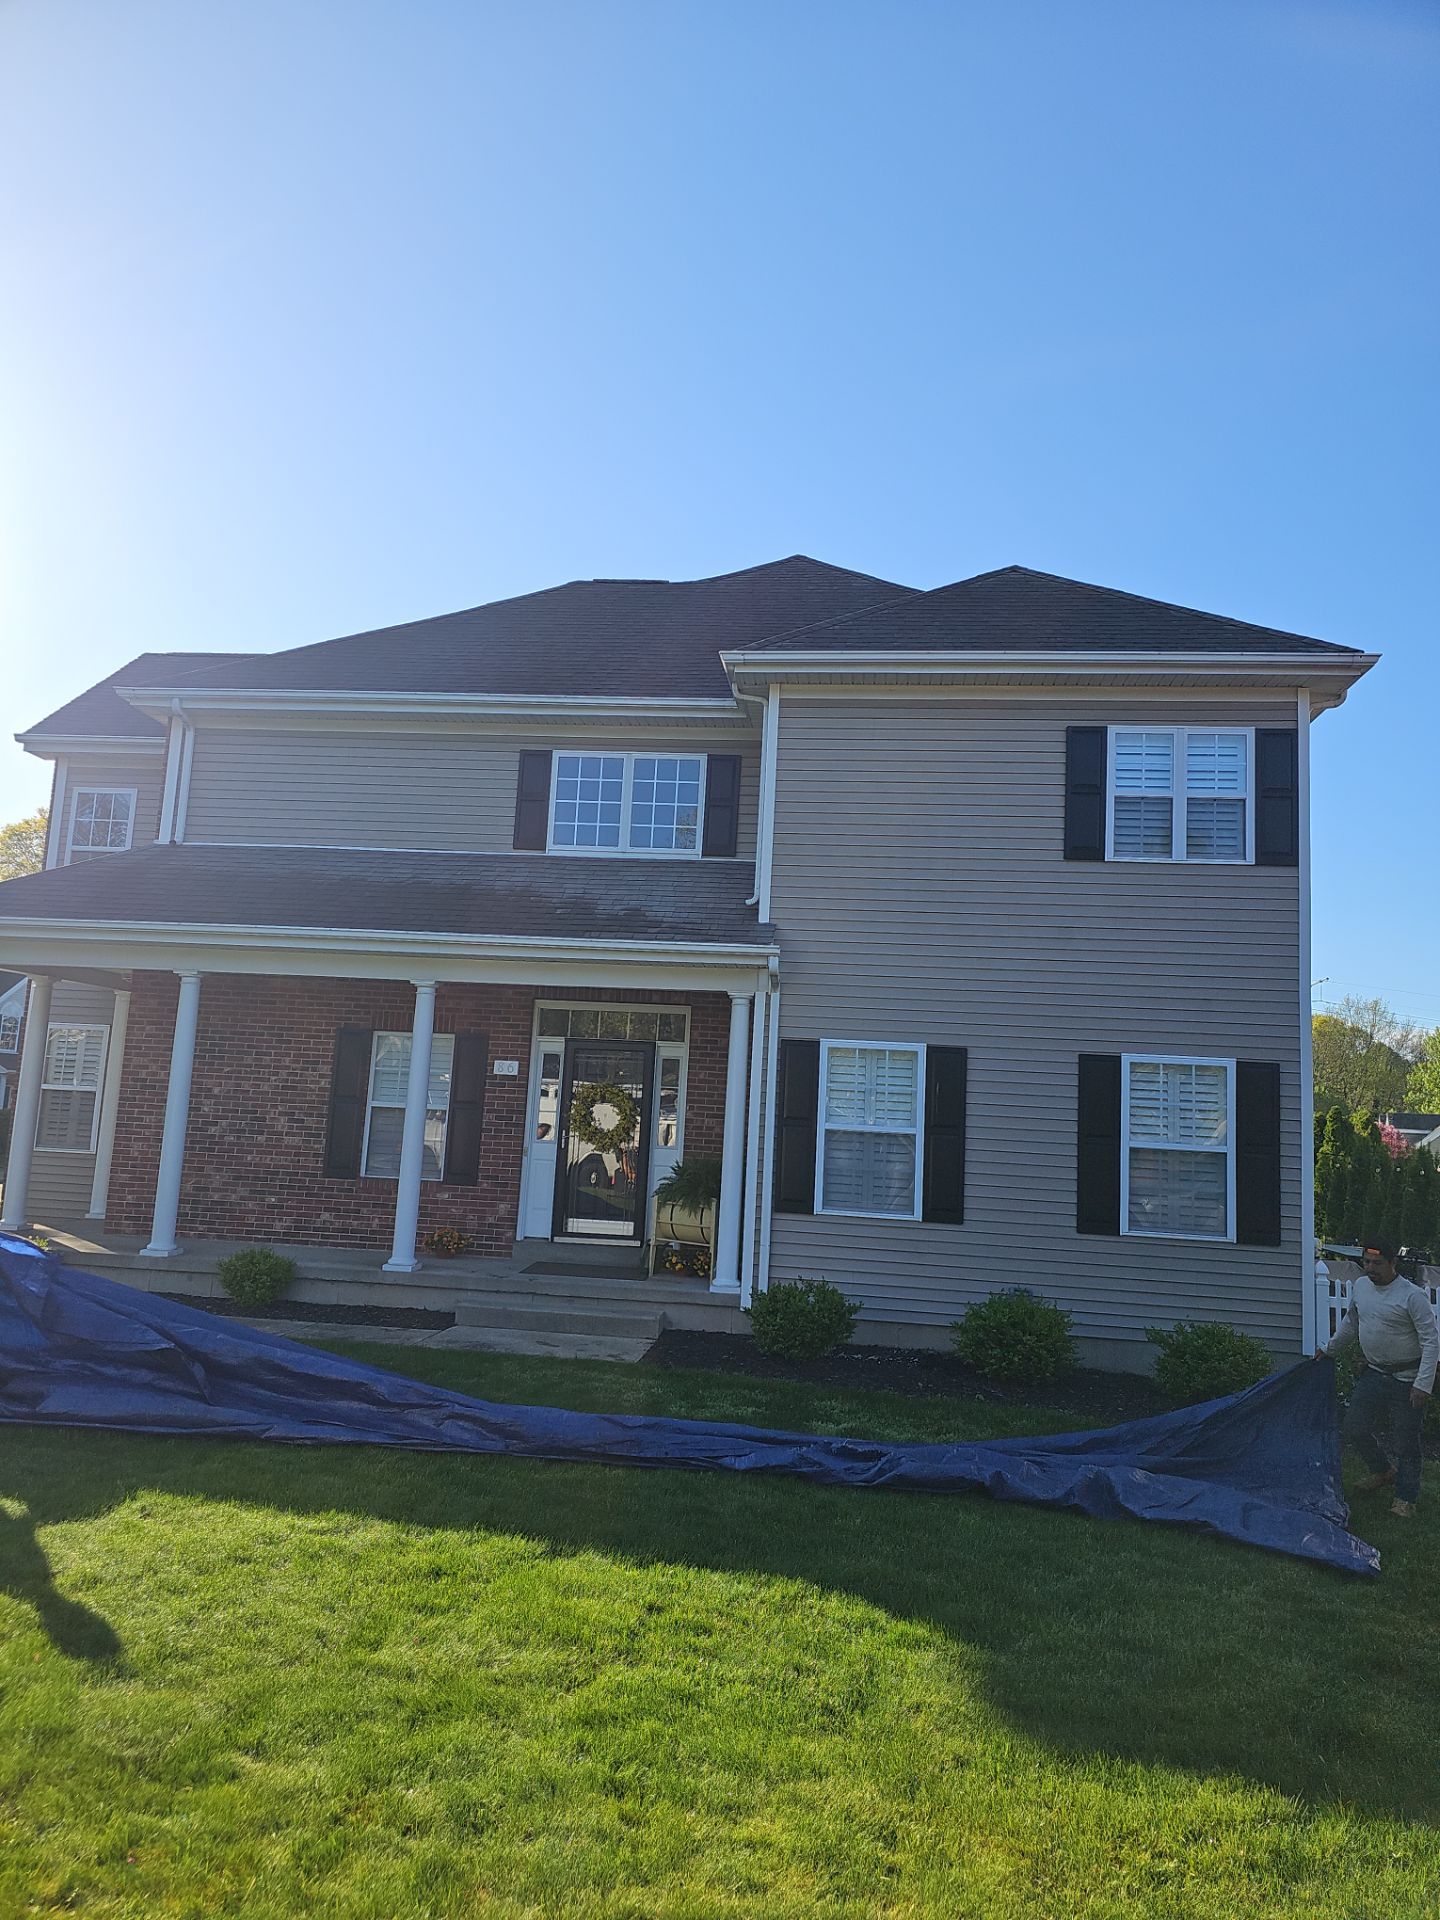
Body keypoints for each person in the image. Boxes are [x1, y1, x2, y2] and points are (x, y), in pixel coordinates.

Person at [1320, 1233, 1438, 1518]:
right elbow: (1351, 1322)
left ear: (1392, 1262)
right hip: (1373, 1373)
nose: (1370, 1268)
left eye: (1377, 1263)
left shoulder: (1412, 1296)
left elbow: (1431, 1341)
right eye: (1366, 1262)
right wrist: (1329, 1350)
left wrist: (1423, 1384)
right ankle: (1383, 1471)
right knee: (1355, 1428)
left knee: (1406, 1442)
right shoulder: (1361, 1286)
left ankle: (1405, 1498)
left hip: (1407, 1378)